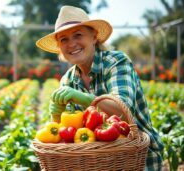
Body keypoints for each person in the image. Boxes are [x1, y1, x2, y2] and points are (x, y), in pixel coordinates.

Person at [35, 5, 164, 171]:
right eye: (64, 39)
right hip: (95, 161)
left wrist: (86, 99)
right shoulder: (67, 80)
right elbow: (69, 135)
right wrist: (56, 116)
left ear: (94, 37)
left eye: (78, 35)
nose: (71, 44)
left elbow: (123, 110)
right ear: (59, 47)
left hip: (136, 157)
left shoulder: (116, 62)